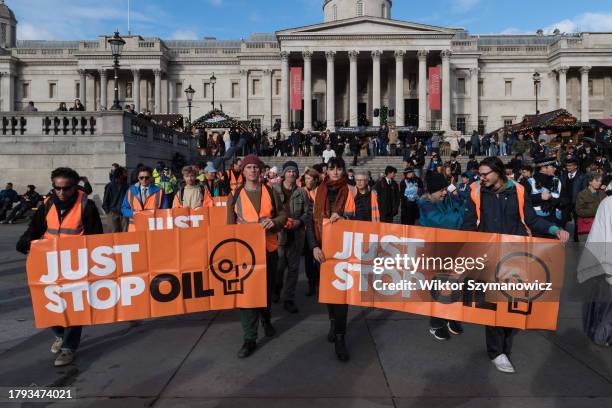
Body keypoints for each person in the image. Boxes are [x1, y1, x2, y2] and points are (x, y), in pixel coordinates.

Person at [464, 157, 569, 373]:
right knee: (493, 304)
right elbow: (467, 224)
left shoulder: (518, 191)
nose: (481, 178)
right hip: (490, 254)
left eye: (485, 174)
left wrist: (554, 230)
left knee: (511, 300)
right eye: (479, 174)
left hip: (515, 255)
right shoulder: (475, 191)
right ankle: (496, 352)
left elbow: (531, 219)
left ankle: (505, 334)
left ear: (498, 172)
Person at [16, 167, 103, 367]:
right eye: (57, 188)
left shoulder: (86, 206)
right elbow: (35, 228)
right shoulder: (47, 204)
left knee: (74, 308)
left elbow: (96, 237)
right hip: (48, 262)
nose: (62, 193)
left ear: (75, 186)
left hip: (76, 264)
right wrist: (25, 241)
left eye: (66, 188)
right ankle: (59, 334)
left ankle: (68, 348)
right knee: (46, 301)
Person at [227, 155, 287, 358]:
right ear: (242, 171)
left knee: (266, 291)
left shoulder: (271, 191)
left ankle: (266, 319)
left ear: (260, 171)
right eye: (249, 167)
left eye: (256, 167)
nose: (253, 170)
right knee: (247, 296)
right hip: (245, 254)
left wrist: (275, 223)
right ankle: (249, 338)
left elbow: (283, 215)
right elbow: (229, 228)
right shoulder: (234, 196)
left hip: (268, 249)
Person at [306, 157, 356, 361]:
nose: (335, 172)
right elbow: (310, 221)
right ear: (327, 170)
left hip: (344, 249)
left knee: (342, 295)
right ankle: (333, 322)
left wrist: (344, 219)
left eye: (339, 169)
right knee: (328, 292)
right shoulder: (318, 190)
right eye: (332, 169)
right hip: (323, 248)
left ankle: (340, 337)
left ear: (343, 171)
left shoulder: (350, 191)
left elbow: (359, 218)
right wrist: (314, 246)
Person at [418, 172, 465, 341]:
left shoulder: (447, 198)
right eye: (440, 190)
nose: (444, 192)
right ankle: (436, 323)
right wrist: (461, 217)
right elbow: (444, 221)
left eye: (445, 188)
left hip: (452, 247)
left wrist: (458, 202)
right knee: (439, 286)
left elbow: (462, 205)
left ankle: (450, 317)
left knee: (454, 283)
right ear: (431, 191)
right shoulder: (425, 203)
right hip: (435, 250)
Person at [273, 161, 309, 313]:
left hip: (296, 235)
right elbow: (269, 211)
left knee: (293, 269)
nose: (291, 174)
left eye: (294, 172)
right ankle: (276, 290)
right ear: (284, 173)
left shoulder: (301, 192)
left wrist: (299, 221)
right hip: (279, 236)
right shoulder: (274, 190)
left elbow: (308, 212)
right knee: (279, 268)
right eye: (289, 171)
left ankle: (289, 299)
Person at [121, 166, 168, 231]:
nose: (144, 180)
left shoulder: (159, 191)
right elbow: (124, 208)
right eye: (141, 178)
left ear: (151, 177)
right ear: (138, 178)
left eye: (147, 177)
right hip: (135, 228)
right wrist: (133, 213)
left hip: (153, 227)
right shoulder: (130, 191)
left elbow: (165, 210)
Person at [528, 157, 567, 233]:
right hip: (536, 222)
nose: (555, 169)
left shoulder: (556, 180)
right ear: (543, 168)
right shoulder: (530, 181)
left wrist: (554, 201)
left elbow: (565, 198)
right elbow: (522, 198)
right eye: (552, 167)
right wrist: (539, 197)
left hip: (555, 221)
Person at [302, 167, 320, 296]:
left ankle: (319, 282)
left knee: (319, 259)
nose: (307, 181)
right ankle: (311, 284)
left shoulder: (320, 192)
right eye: (306, 178)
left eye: (309, 178)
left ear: (315, 179)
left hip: (318, 230)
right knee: (308, 261)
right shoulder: (302, 192)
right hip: (305, 231)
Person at [561, 158, 588, 241]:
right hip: (565, 202)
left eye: (570, 166)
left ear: (575, 166)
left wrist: (582, 202)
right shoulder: (563, 175)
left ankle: (576, 238)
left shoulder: (582, 176)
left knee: (577, 221)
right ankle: (561, 236)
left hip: (576, 202)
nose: (568, 167)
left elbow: (584, 190)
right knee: (563, 219)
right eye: (567, 166)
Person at [575, 172, 606, 240]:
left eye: (600, 181)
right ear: (590, 182)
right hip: (587, 228)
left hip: (600, 228)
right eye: (597, 181)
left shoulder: (602, 193)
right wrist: (597, 211)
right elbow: (579, 211)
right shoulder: (582, 194)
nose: (599, 183)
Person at [102, 167, 129, 232]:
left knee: (125, 233)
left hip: (124, 213)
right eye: (125, 173)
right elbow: (105, 200)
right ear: (120, 174)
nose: (126, 174)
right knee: (113, 234)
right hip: (112, 213)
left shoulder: (126, 186)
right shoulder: (110, 186)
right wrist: (108, 212)